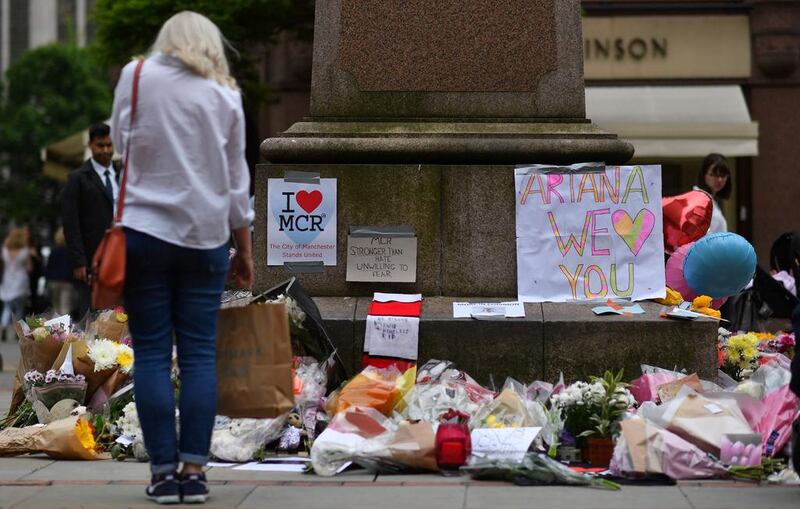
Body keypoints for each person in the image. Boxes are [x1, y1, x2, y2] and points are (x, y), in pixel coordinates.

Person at [110, 11, 253, 504]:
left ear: (165, 42)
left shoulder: (135, 78)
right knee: (197, 357)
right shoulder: (225, 94)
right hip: (205, 236)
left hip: (144, 233)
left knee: (150, 354)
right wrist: (245, 249)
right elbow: (238, 183)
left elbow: (121, 149)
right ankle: (194, 473)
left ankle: (162, 475)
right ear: (211, 44)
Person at [61, 122, 118, 318]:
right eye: (100, 146)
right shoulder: (77, 178)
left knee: (121, 314)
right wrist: (79, 261)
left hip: (123, 256)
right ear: (90, 146)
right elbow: (70, 222)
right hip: (92, 259)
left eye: (109, 146)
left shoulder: (122, 175)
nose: (106, 150)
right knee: (93, 316)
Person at [0, 228, 31, 342]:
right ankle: (16, 331)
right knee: (19, 308)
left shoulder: (4, 251)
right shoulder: (24, 251)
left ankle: (3, 326)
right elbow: (29, 268)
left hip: (7, 281)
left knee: (7, 307)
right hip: (21, 281)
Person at [693, 153, 732, 233]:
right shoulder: (699, 200)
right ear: (704, 174)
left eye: (723, 175)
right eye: (714, 174)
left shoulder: (710, 200)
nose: (719, 179)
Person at [45, 228, 75, 316]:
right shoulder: (71, 251)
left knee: (56, 307)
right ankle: (64, 327)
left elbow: (48, 267)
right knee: (65, 306)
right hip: (67, 282)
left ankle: (56, 327)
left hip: (54, 282)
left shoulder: (54, 250)